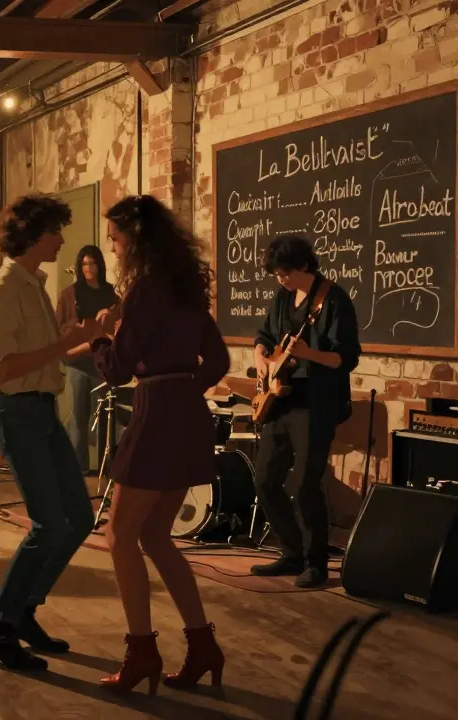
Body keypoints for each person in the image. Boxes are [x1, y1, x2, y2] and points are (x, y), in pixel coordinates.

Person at [90, 195, 231, 695]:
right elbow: (217, 361)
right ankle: (202, 645)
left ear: (134, 238)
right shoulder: (186, 289)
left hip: (155, 415)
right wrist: (184, 390)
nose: (112, 244)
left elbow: (118, 368)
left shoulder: (146, 289)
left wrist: (100, 338)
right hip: (188, 416)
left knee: (119, 537)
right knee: (156, 538)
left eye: (115, 236)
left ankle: (142, 651)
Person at [0, 194, 100, 672]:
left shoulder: (31, 282)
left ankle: (24, 610)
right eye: (55, 232)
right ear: (33, 235)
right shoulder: (6, 288)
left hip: (42, 413)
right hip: (19, 413)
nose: (63, 240)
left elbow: (47, 356)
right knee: (49, 525)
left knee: (79, 520)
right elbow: (0, 370)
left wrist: (91, 337)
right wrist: (64, 342)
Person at [250, 235, 360, 588]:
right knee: (265, 477)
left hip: (316, 402)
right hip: (281, 398)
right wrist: (262, 359)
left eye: (284, 272)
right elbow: (263, 336)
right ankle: (291, 553)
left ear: (303, 266)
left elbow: (346, 358)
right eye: (276, 273)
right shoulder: (282, 297)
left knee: (305, 483)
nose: (280, 279)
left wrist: (308, 354)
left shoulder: (334, 300)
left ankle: (316, 564)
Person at [55, 245, 119, 471]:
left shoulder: (110, 293)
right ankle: (78, 465)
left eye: (92, 263)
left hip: (101, 361)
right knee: (78, 414)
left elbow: (118, 325)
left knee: (102, 415)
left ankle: (104, 465)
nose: (88, 268)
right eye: (84, 264)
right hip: (77, 361)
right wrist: (79, 327)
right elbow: (59, 327)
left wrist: (108, 320)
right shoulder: (69, 294)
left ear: (99, 265)